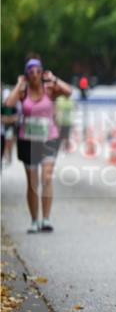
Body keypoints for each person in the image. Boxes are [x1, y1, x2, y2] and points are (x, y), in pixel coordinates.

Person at [3, 59, 73, 232]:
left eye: (38, 71)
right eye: (31, 72)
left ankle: (46, 219)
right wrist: (19, 84)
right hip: (28, 140)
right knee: (32, 183)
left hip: (49, 138)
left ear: (42, 73)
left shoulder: (49, 89)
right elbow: (8, 105)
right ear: (26, 75)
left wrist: (54, 79)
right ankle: (34, 221)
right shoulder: (23, 91)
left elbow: (69, 92)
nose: (35, 75)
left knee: (46, 178)